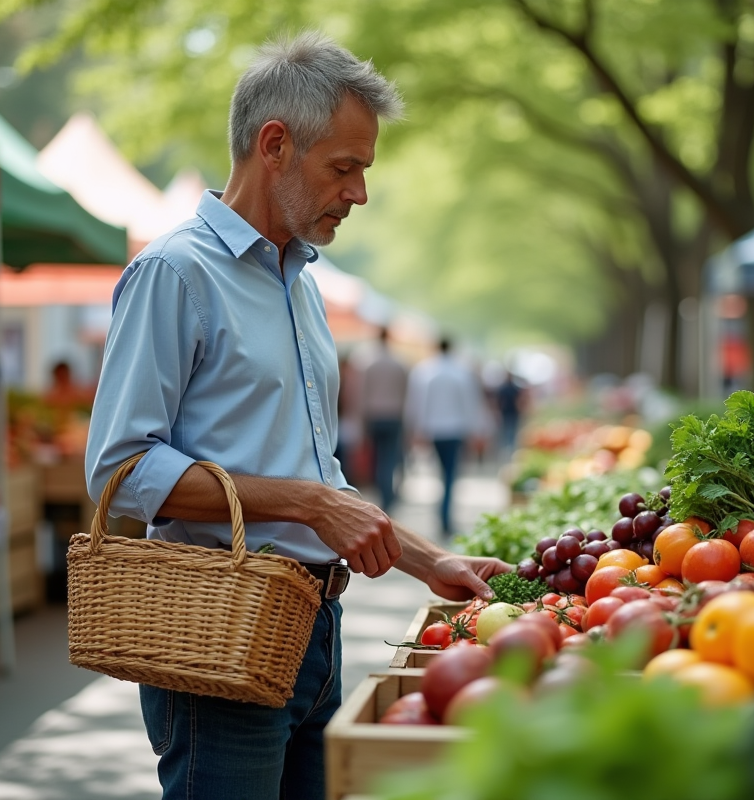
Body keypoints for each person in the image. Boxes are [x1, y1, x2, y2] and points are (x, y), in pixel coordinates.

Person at [83, 33, 509, 800]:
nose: (359, 194)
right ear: (274, 144)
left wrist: (428, 561)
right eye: (344, 168)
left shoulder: (302, 284)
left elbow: (321, 479)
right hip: (220, 628)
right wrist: (305, 502)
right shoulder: (174, 273)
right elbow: (121, 468)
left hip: (313, 629)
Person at [405, 337, 489, 536]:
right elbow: (470, 403)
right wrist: (476, 430)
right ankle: (445, 516)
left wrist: (417, 428)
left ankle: (442, 514)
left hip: (434, 429)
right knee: (450, 474)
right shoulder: (461, 372)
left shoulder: (425, 371)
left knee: (441, 472)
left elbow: (417, 403)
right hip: (455, 429)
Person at [359, 326, 408, 509]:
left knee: (378, 459)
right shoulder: (399, 362)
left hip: (373, 415)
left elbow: (362, 394)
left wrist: (361, 421)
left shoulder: (367, 362)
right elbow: (405, 392)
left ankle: (383, 494)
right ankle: (388, 496)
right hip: (393, 415)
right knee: (389, 458)